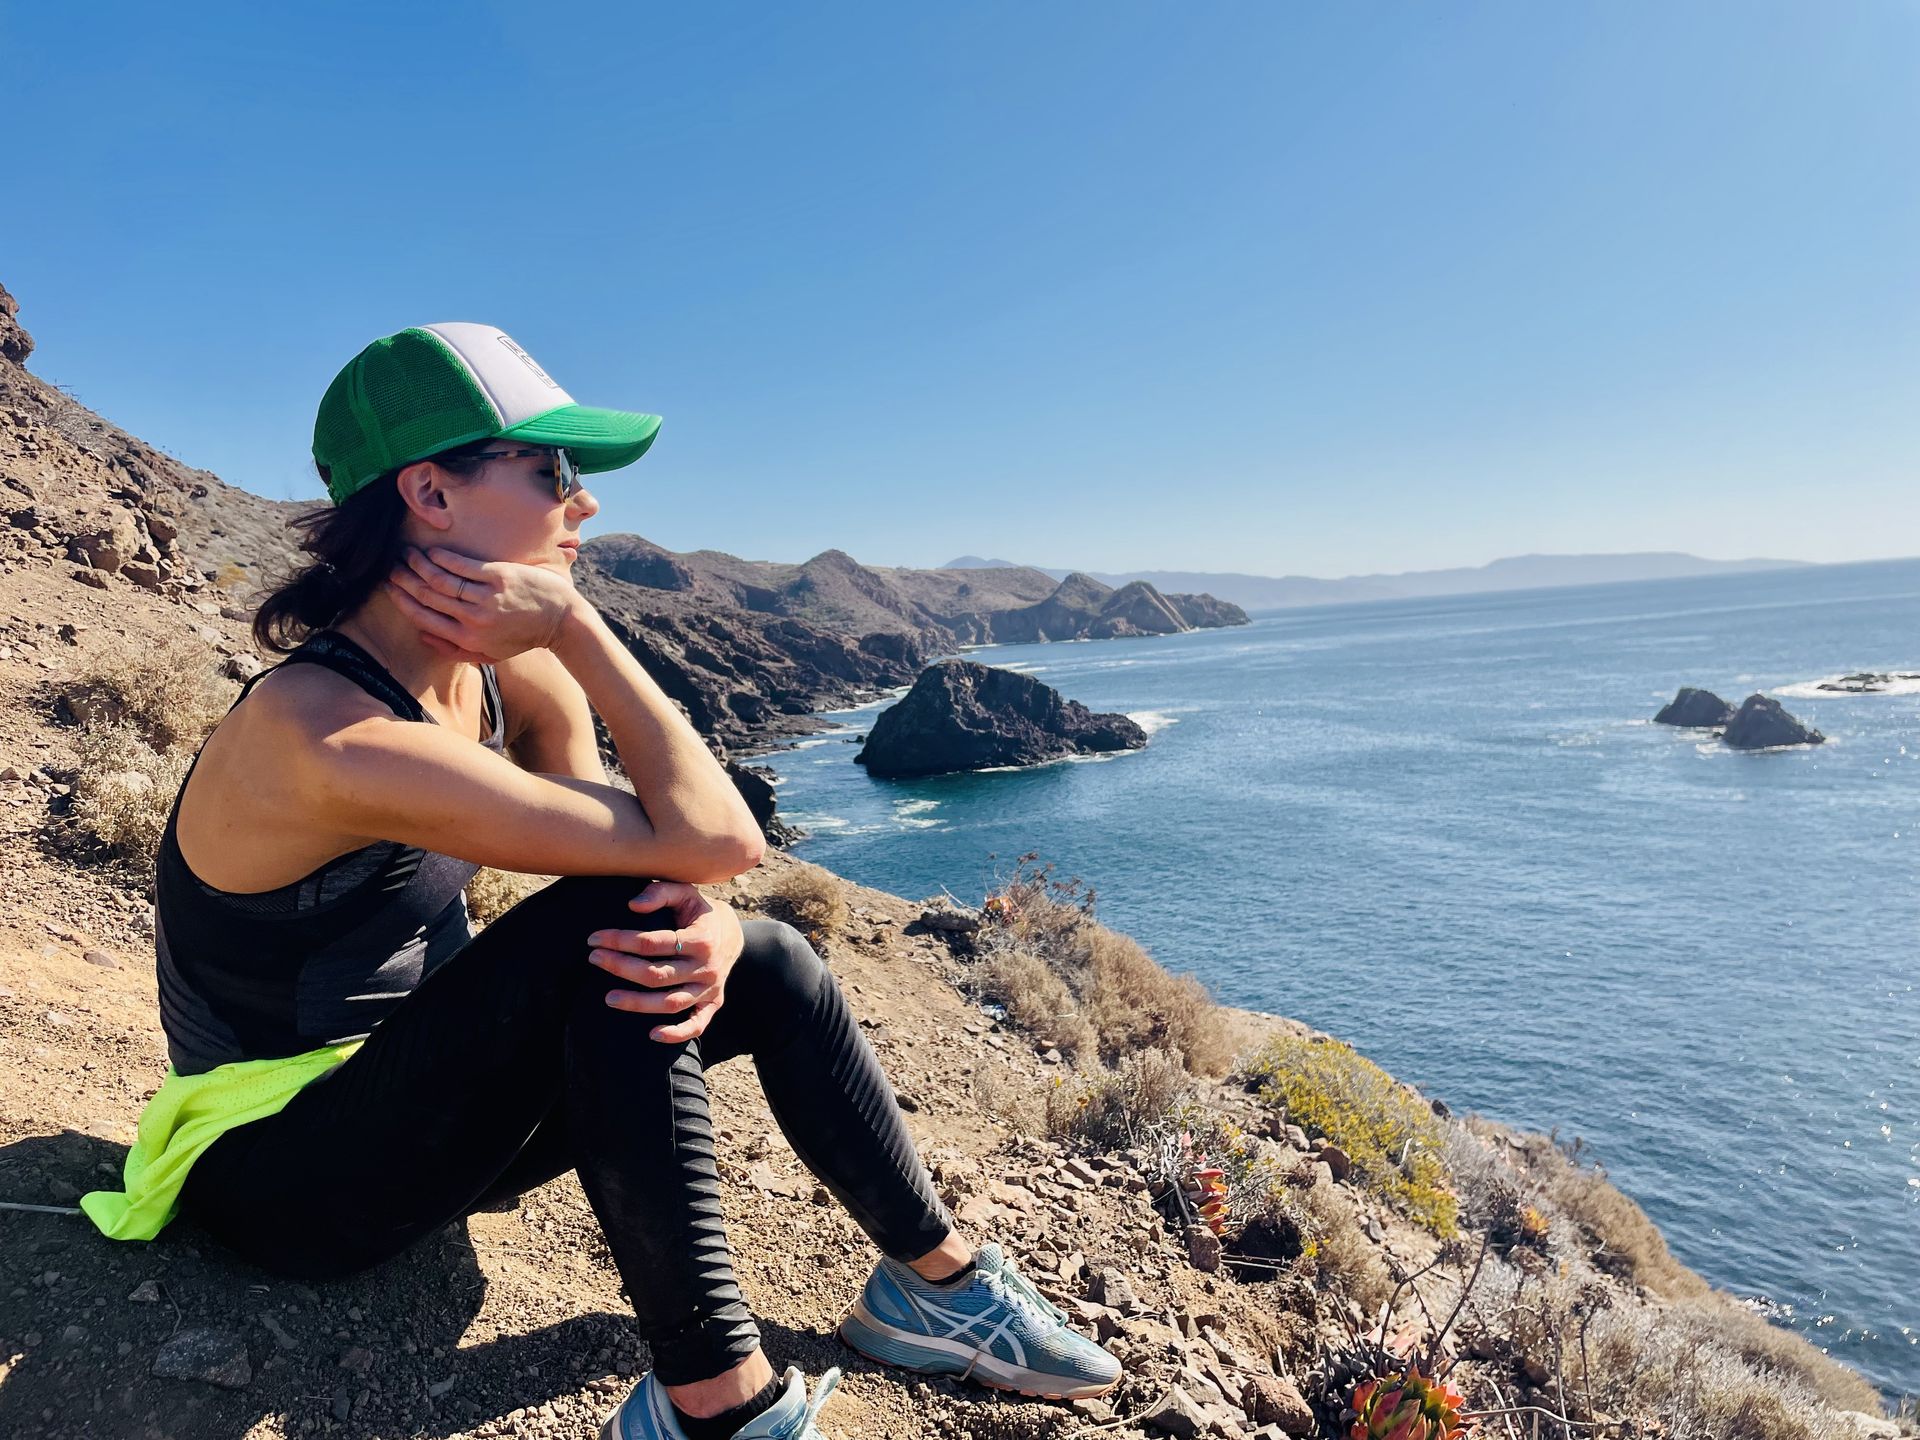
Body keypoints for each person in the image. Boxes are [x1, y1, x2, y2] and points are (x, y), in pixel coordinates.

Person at [77, 324, 1122, 1439]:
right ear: (430, 492)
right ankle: (717, 1409)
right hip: (284, 1181)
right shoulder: (322, 732)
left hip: (430, 1129)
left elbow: (667, 854)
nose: (584, 507)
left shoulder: (492, 676)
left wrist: (709, 917)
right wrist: (579, 627)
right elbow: (713, 840)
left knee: (758, 952)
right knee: (626, 925)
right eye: (553, 472)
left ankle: (936, 1284)